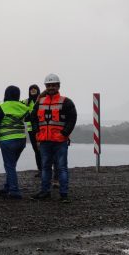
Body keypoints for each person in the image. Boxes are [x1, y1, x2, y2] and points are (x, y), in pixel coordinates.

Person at [30, 74, 78, 202]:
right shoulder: (39, 102)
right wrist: (37, 133)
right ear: (46, 86)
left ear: (58, 86)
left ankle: (64, 194)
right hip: (44, 141)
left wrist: (64, 134)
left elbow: (72, 119)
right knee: (45, 167)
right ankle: (45, 192)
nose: (51, 87)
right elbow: (33, 118)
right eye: (49, 85)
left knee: (61, 167)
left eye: (53, 85)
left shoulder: (66, 102)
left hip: (60, 142)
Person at [0, 86, 30, 199]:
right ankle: (7, 187)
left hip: (7, 140)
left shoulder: (2, 107)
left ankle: (14, 191)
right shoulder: (23, 107)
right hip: (21, 140)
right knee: (12, 165)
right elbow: (30, 118)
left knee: (9, 165)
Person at [23, 85, 42, 177]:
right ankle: (40, 170)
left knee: (45, 150)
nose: (33, 90)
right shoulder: (26, 102)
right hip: (31, 130)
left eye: (35, 89)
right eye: (31, 89)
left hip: (42, 129)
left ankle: (47, 169)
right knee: (36, 150)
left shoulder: (43, 100)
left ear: (38, 90)